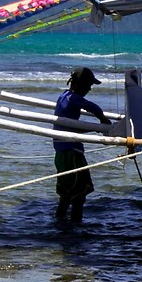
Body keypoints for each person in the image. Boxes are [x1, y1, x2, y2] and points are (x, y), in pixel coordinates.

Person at [51, 66, 110, 231]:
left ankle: (60, 226)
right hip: (72, 153)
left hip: (61, 152)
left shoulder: (63, 97)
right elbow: (92, 107)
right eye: (89, 85)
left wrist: (96, 128)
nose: (90, 89)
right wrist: (102, 121)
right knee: (80, 194)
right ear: (78, 84)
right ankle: (77, 229)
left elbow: (70, 129)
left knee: (65, 195)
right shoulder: (73, 99)